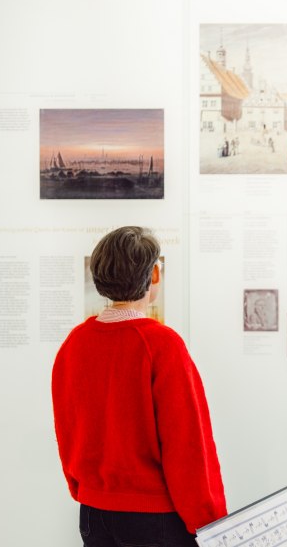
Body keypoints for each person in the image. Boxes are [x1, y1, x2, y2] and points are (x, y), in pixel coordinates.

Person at [52, 226, 226, 546]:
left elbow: (67, 430)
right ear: (155, 276)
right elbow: (187, 444)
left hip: (93, 513)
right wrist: (210, 520)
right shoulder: (161, 344)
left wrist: (86, 490)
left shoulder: (74, 343)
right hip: (155, 519)